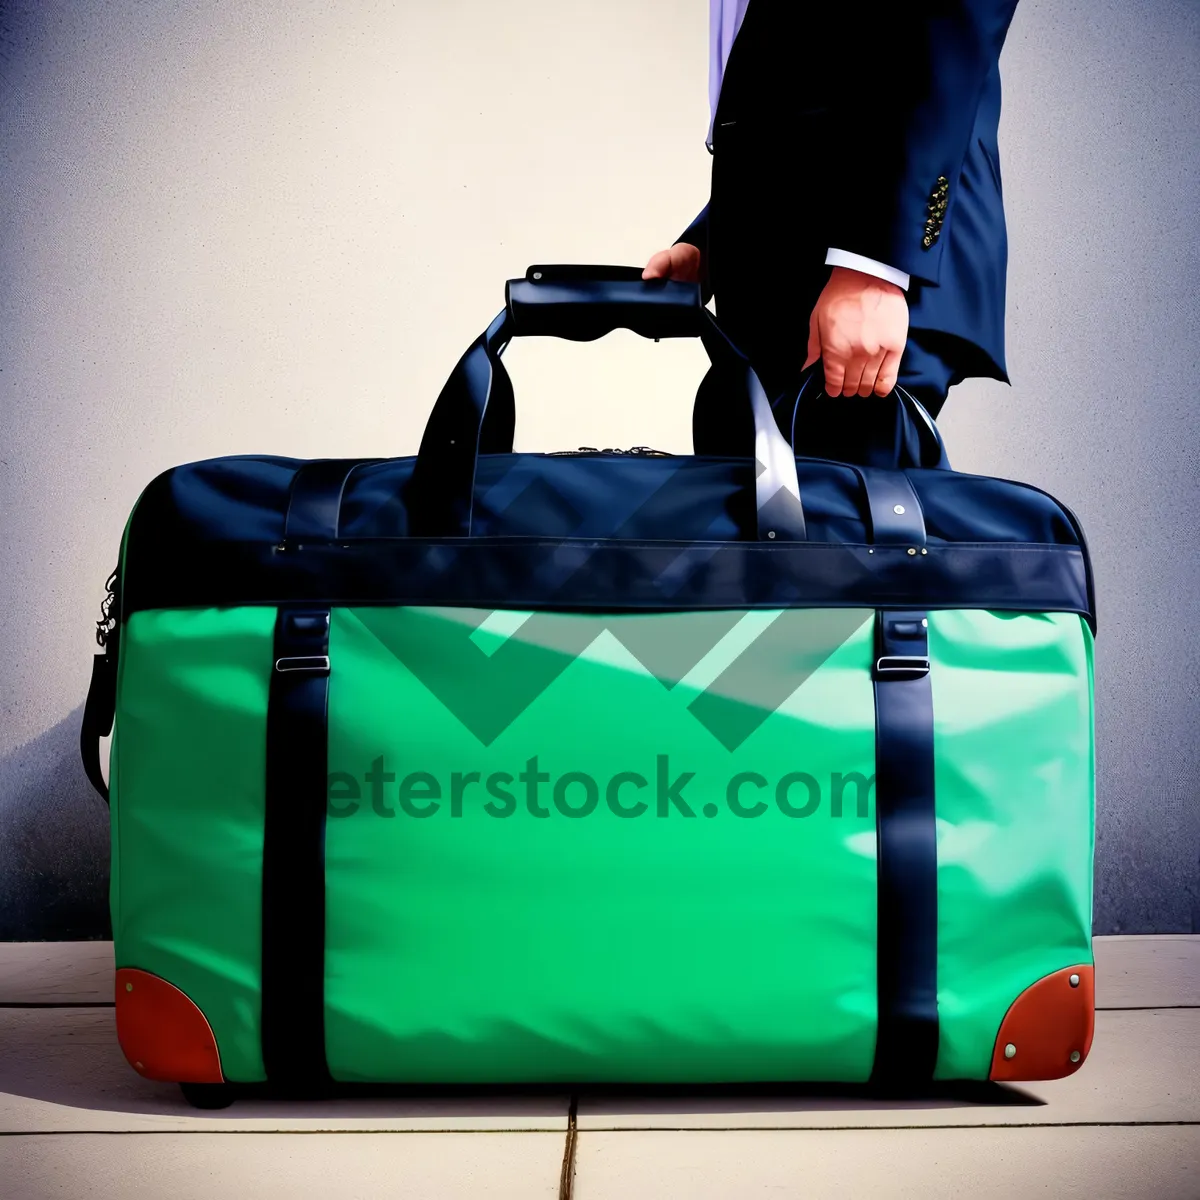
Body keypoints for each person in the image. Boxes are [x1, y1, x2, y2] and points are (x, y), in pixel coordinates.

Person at [644, 1, 1021, 465]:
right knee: (768, 519)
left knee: (846, 520)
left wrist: (878, 261)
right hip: (782, 268)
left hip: (867, 259)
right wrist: (711, 243)